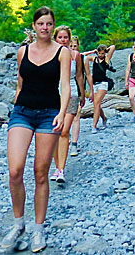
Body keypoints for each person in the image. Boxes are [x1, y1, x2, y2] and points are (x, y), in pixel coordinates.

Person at [0, 6, 72, 253]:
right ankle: (19, 224)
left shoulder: (63, 53)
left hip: (49, 115)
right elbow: (20, 84)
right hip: (22, 112)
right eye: (40, 23)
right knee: (15, 169)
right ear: (34, 26)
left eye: (49, 24)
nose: (45, 28)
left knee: (41, 172)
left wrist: (62, 113)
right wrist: (15, 106)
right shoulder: (23, 52)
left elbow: (65, 84)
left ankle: (38, 228)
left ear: (53, 26)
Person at [50, 27, 85, 184]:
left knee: (64, 131)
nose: (63, 40)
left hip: (71, 94)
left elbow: (78, 75)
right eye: (60, 37)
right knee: (55, 131)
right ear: (55, 38)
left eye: (65, 37)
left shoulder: (75, 55)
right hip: (53, 95)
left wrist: (83, 93)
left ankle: (61, 169)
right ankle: (56, 167)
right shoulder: (50, 54)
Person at [85, 44, 116, 133]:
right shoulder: (94, 59)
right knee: (96, 104)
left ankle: (94, 126)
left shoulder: (106, 59)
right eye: (99, 53)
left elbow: (113, 47)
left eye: (102, 53)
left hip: (103, 83)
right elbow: (83, 55)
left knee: (97, 103)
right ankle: (104, 119)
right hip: (95, 84)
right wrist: (92, 51)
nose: (101, 55)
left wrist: (106, 50)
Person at [67, 37, 89, 156]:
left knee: (76, 116)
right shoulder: (57, 55)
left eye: (75, 46)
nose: (73, 48)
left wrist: (83, 93)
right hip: (60, 89)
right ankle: (65, 138)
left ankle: (74, 144)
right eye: (71, 46)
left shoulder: (79, 57)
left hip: (74, 88)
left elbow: (81, 75)